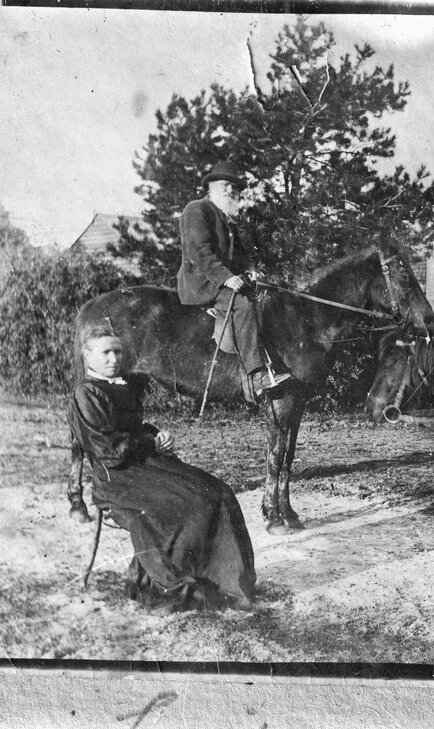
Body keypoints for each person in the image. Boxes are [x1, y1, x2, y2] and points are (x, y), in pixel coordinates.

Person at [68, 325, 257, 611]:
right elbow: (107, 449)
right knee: (188, 502)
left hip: (144, 464)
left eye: (117, 351)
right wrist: (150, 443)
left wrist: (158, 434)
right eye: (106, 352)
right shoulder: (86, 394)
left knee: (218, 492)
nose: (114, 359)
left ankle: (229, 583)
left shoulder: (119, 385)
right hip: (117, 477)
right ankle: (166, 586)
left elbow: (132, 428)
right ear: (87, 355)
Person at [177, 160, 290, 395]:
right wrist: (226, 278)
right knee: (244, 305)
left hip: (221, 281)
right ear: (211, 187)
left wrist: (251, 268)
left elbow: (239, 253)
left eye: (235, 187)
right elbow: (199, 250)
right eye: (225, 185)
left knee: (268, 298)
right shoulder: (196, 209)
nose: (231, 190)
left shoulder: (226, 218)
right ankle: (256, 376)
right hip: (202, 282)